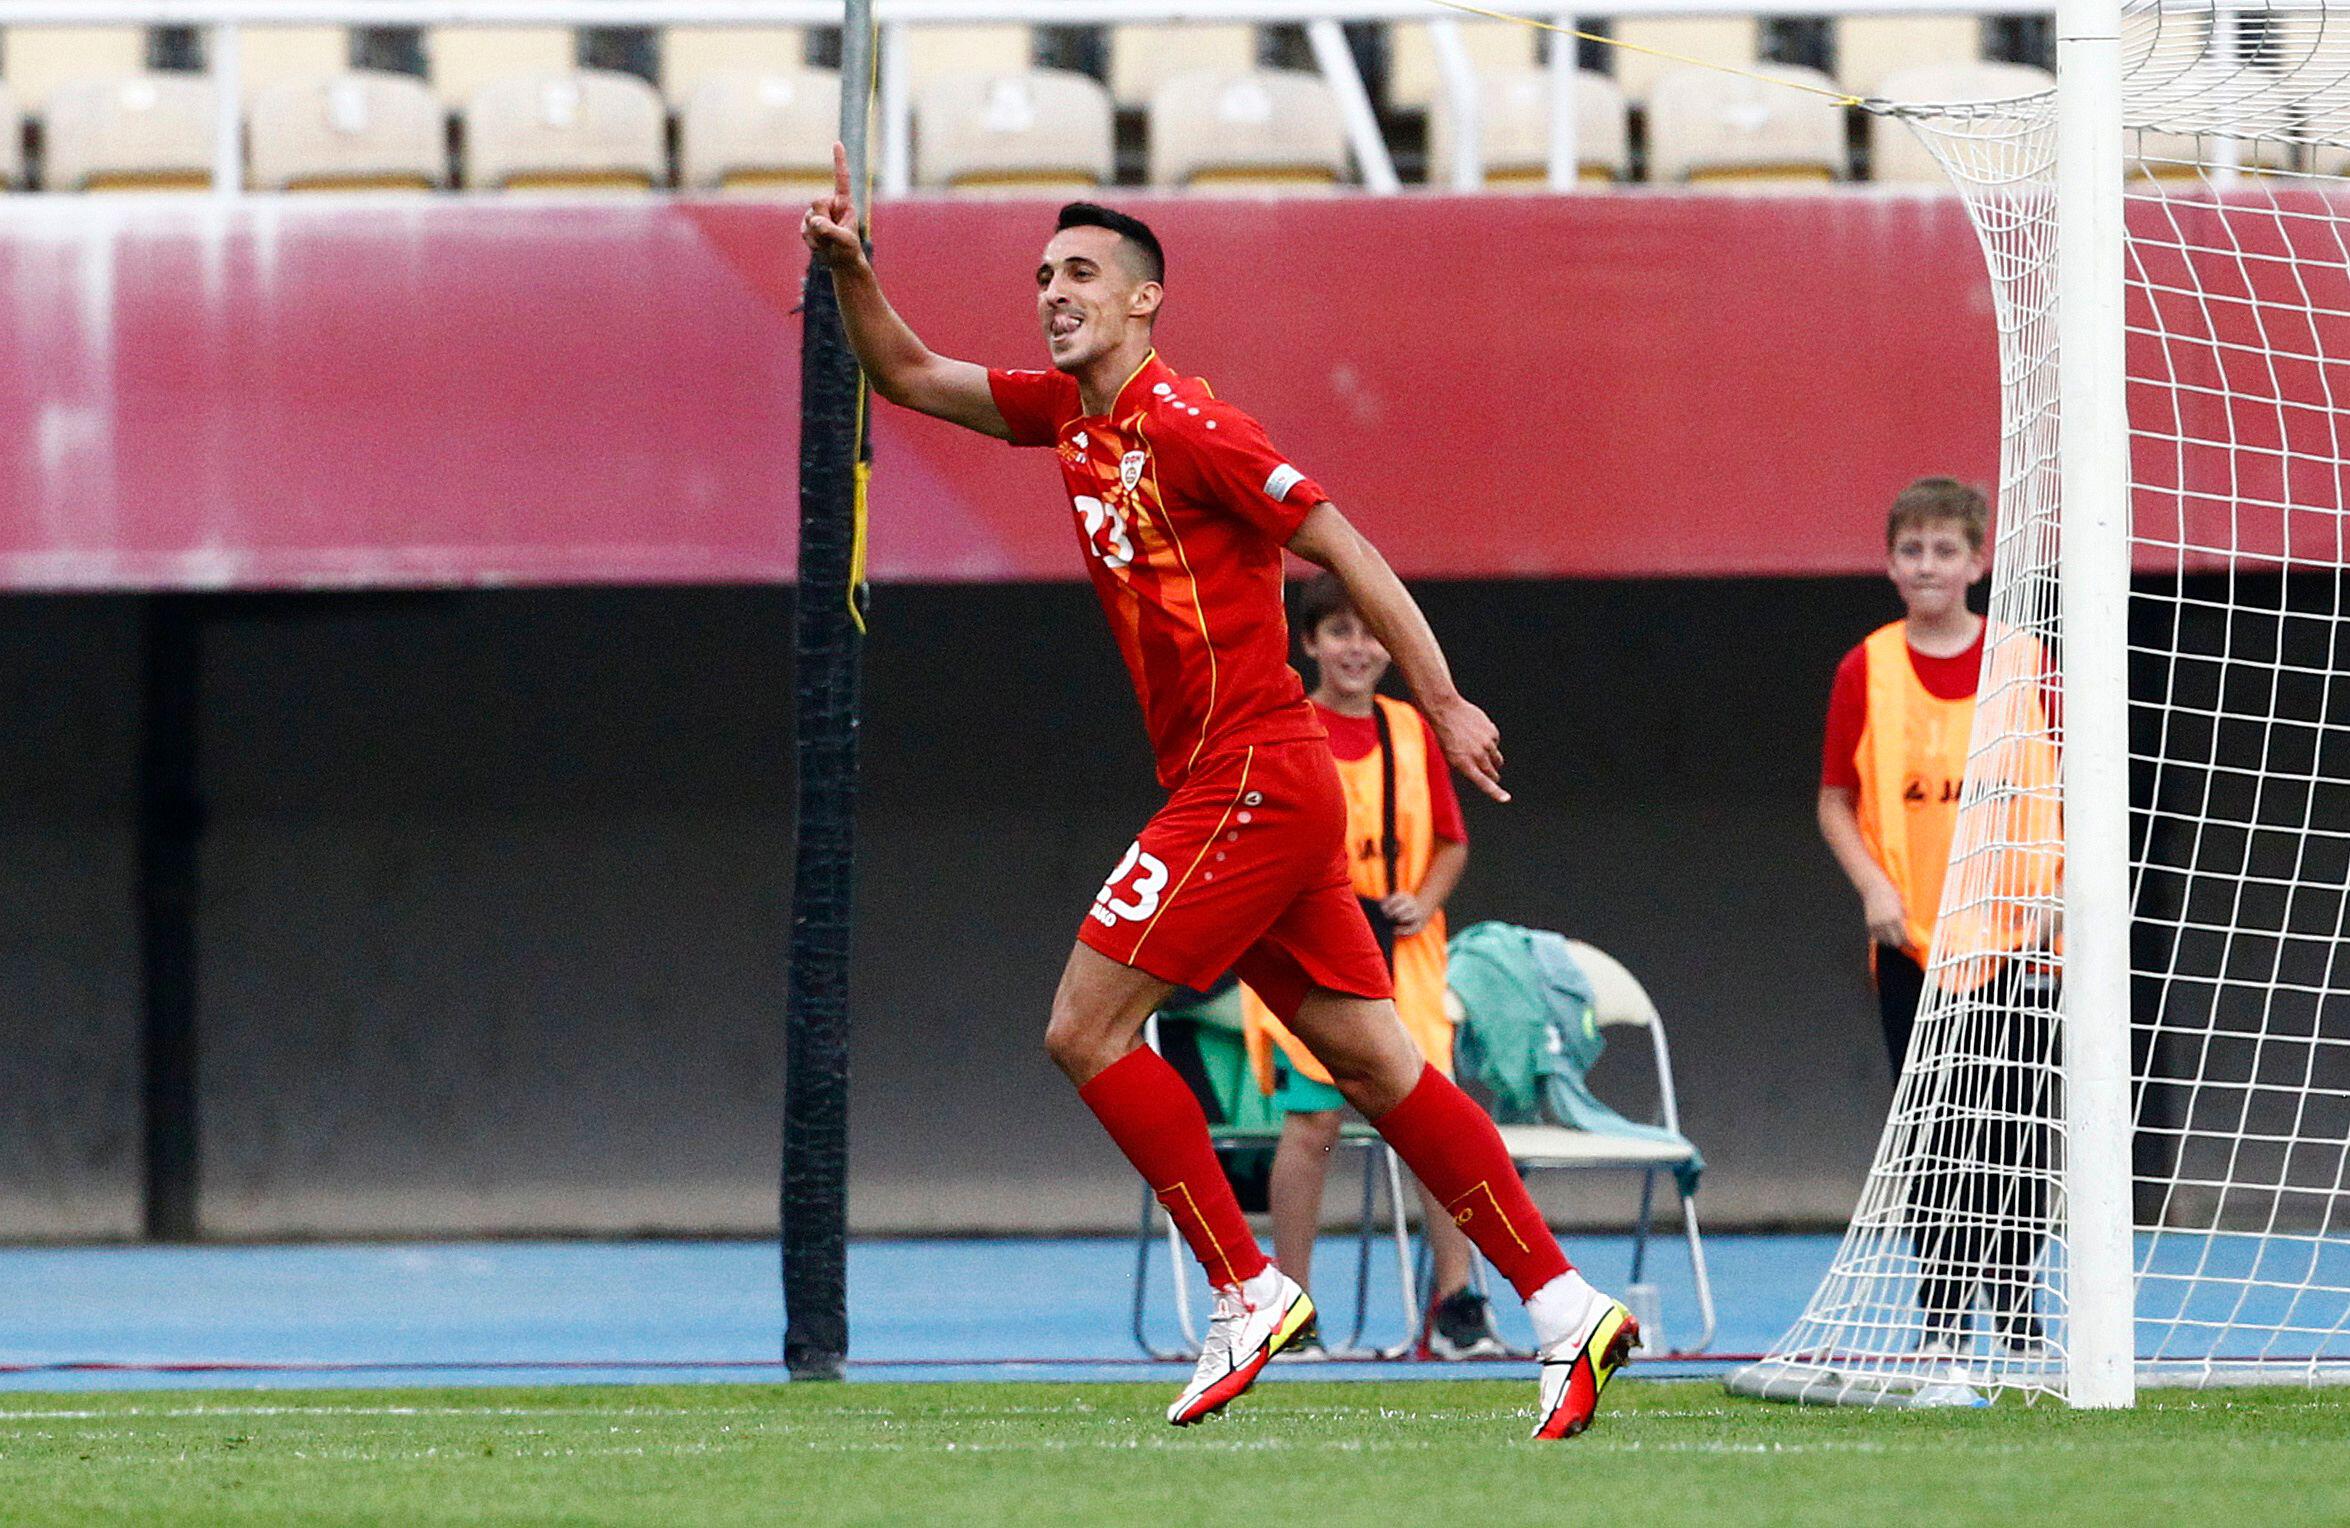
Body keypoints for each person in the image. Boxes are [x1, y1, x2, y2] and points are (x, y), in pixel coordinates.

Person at [801, 150, 1634, 1439]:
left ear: (1144, 300)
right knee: (1372, 1060)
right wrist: (853, 268)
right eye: (1041, 275)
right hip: (1259, 785)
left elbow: (1342, 543)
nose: (1052, 292)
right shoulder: (1070, 417)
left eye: (1080, 273)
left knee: (1085, 1027)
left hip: (1248, 770)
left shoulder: (1193, 424)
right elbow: (909, 374)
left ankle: (1245, 1283)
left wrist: (1447, 696)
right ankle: (1563, 1302)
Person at [1817, 477, 2063, 1357]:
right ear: (1890, 564)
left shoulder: (2025, 661)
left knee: (2021, 1127)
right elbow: (1835, 801)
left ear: (1978, 561)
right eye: (1912, 550)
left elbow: (2070, 787)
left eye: (1946, 549)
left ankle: (2020, 1303)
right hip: (1914, 939)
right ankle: (1942, 1312)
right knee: (1932, 1130)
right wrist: (1874, 889)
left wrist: (2055, 896)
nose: (1929, 565)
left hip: (2022, 942)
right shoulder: (1866, 667)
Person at [1243, 571, 1493, 1358]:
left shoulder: (1413, 732)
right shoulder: (1288, 728)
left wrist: (1422, 897)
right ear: (1310, 643)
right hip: (1315, 949)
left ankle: (1456, 1305)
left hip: (1404, 955)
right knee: (1313, 1122)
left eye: (1370, 631)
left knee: (1433, 1124)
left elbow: (1451, 840)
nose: (1357, 647)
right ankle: (1290, 1307)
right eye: (1339, 631)